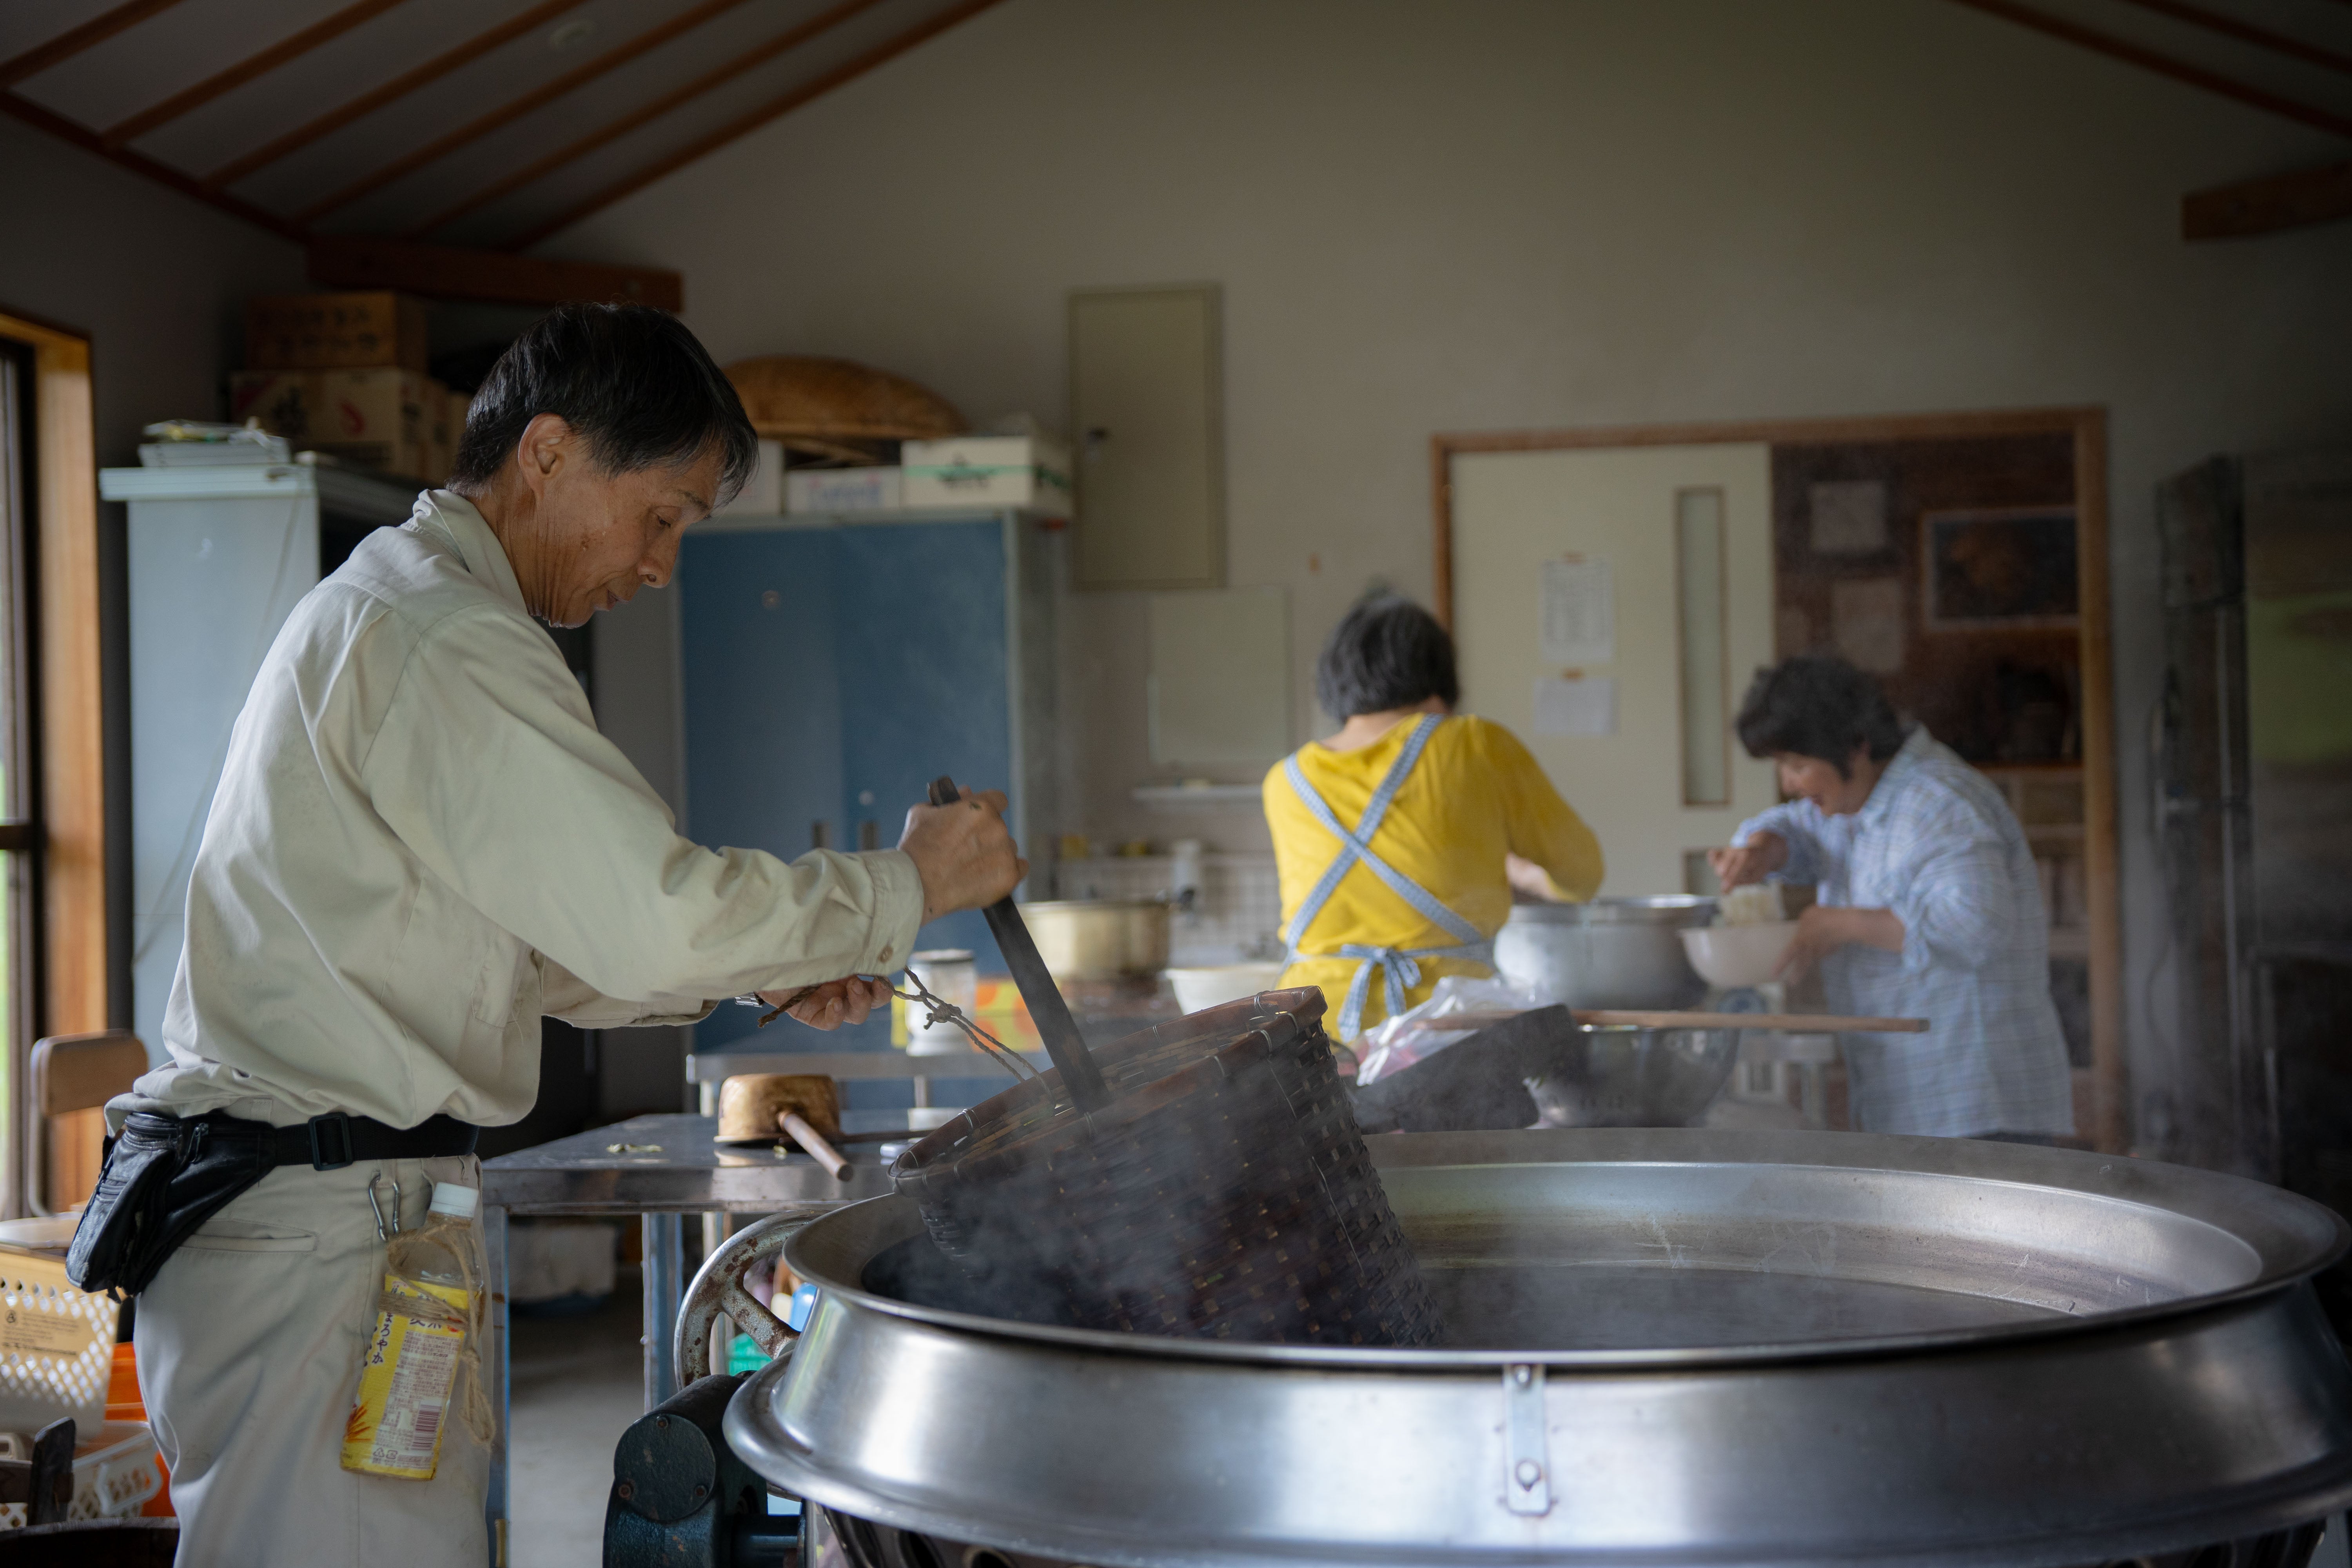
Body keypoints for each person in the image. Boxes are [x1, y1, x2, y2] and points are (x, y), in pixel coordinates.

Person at [91, 305, 1024, 1563]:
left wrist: (773, 965)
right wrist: (902, 881)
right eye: (661, 516)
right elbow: (652, 912)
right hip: (315, 1227)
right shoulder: (439, 633)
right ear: (545, 453)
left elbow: (533, 947)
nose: (658, 566)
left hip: (342, 1217)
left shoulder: (425, 613)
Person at [1708, 655, 2073, 1141]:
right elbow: (1800, 826)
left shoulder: (1939, 802)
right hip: (1916, 1101)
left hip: (1979, 1104)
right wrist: (1765, 848)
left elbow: (1976, 926)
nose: (1789, 784)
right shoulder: (1861, 799)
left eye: (1797, 765)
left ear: (1854, 746)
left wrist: (1842, 924)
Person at [1265, 596, 1603, 1040]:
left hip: (1312, 1034)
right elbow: (1582, 874)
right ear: (1439, 677)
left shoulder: (1285, 780)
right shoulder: (1475, 744)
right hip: (1442, 1032)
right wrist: (1518, 872)